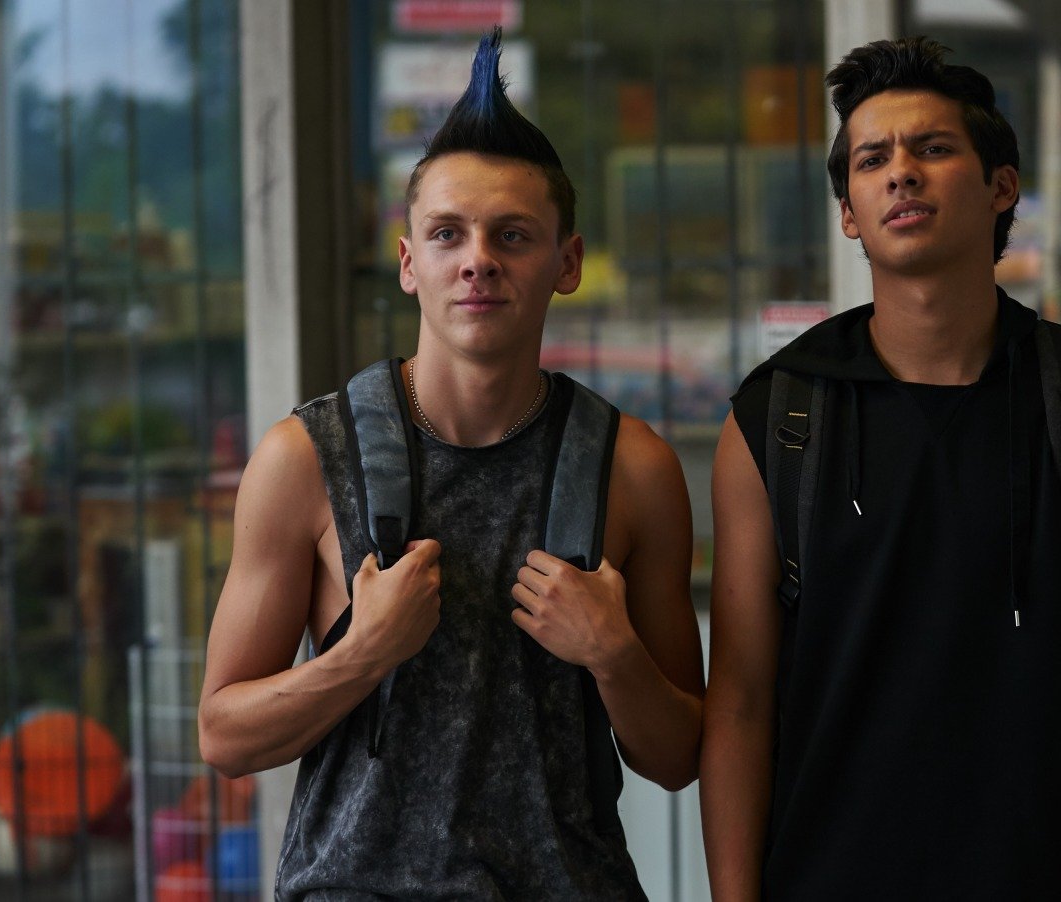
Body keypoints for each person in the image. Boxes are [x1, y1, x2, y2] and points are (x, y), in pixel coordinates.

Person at [198, 30, 703, 900]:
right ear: (409, 263)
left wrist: (615, 655)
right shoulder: (305, 459)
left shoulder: (632, 469)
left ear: (567, 262)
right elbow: (223, 737)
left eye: (512, 235)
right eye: (447, 234)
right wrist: (360, 654)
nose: (478, 260)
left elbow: (680, 755)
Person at [700, 36, 1061, 900]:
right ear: (848, 213)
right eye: (872, 160)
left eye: (932, 148)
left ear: (1001, 187)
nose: (901, 173)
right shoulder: (778, 420)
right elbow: (738, 705)